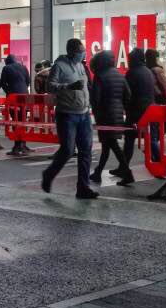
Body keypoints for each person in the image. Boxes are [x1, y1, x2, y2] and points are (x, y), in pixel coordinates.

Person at [41, 38, 98, 199]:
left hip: (84, 113)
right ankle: (49, 175)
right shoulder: (59, 66)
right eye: (81, 51)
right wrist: (68, 86)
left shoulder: (81, 66)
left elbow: (86, 87)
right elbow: (49, 86)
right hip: (67, 114)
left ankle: (83, 187)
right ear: (72, 51)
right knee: (67, 150)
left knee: (86, 150)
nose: (83, 53)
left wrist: (90, 104)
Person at [90, 49, 133, 185]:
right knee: (107, 145)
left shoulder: (99, 76)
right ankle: (98, 173)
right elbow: (128, 95)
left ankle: (128, 173)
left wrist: (96, 112)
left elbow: (96, 98)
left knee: (112, 145)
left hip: (104, 115)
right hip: (117, 115)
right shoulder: (120, 75)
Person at [124, 47, 156, 167]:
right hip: (149, 109)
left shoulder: (132, 73)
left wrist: (126, 108)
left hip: (136, 111)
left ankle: (124, 166)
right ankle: (160, 163)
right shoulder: (148, 71)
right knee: (150, 138)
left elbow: (127, 93)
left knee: (129, 138)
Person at [0, 53, 32, 154]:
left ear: (7, 61)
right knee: (23, 120)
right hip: (24, 97)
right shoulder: (23, 67)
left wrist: (9, 92)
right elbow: (28, 82)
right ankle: (24, 144)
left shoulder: (6, 68)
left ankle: (17, 146)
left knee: (15, 120)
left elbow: (2, 83)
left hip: (14, 98)